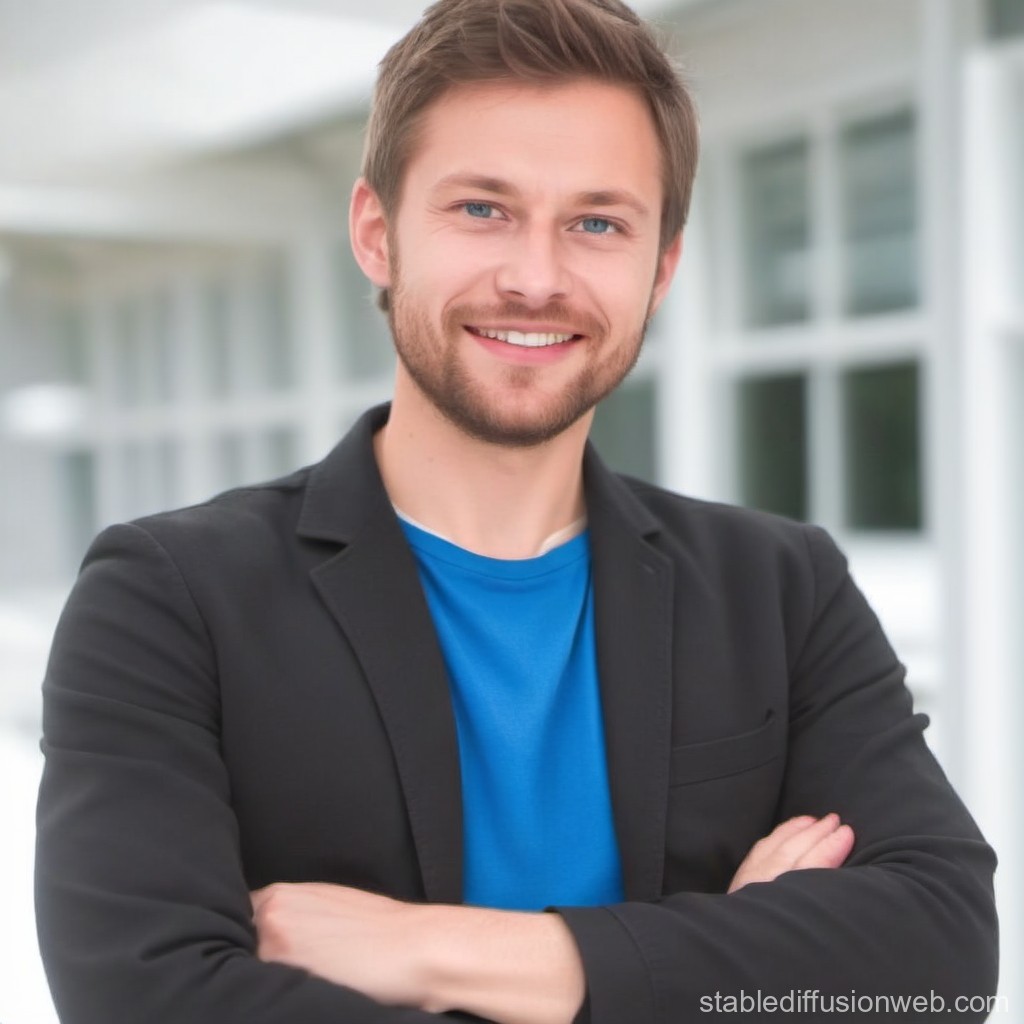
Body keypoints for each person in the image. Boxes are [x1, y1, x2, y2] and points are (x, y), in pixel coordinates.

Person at [35, 0, 998, 1022]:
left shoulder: (779, 587)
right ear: (377, 232)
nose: (535, 277)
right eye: (481, 209)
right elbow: (147, 998)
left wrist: (430, 950)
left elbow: (935, 959)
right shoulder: (171, 599)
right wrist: (710, 968)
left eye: (596, 223)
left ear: (659, 267)